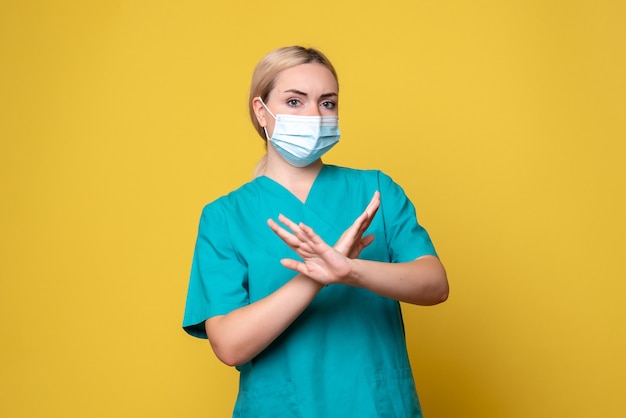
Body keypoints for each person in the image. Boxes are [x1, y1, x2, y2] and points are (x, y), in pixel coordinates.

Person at [182, 45, 449, 418]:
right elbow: (228, 345)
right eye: (295, 101)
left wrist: (350, 270)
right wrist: (315, 278)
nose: (314, 114)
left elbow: (435, 285)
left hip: (376, 405)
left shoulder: (375, 192)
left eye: (327, 103)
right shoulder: (225, 216)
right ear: (262, 111)